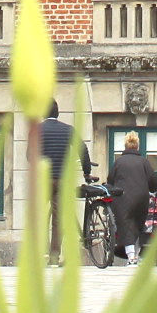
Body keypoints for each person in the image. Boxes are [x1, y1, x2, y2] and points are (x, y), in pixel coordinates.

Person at [37, 100, 91, 265]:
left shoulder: (38, 130)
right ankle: (54, 257)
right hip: (62, 180)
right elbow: (83, 150)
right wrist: (86, 172)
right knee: (58, 220)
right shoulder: (68, 130)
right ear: (57, 113)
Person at [107, 131, 157, 263]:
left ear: (125, 146)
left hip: (122, 198)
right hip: (141, 199)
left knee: (126, 225)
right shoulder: (144, 162)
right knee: (138, 224)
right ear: (137, 146)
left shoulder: (118, 162)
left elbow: (110, 180)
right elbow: (153, 181)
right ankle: (136, 254)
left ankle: (131, 256)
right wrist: (153, 189)